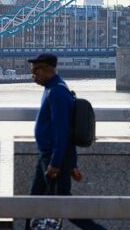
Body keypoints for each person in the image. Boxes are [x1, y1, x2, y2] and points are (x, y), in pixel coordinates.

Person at [26, 53, 105, 230]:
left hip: (52, 160)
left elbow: (62, 132)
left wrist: (57, 163)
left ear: (47, 70)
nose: (33, 76)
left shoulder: (57, 92)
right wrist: (72, 164)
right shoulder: (52, 88)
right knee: (33, 204)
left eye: (35, 72)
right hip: (47, 157)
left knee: (64, 206)